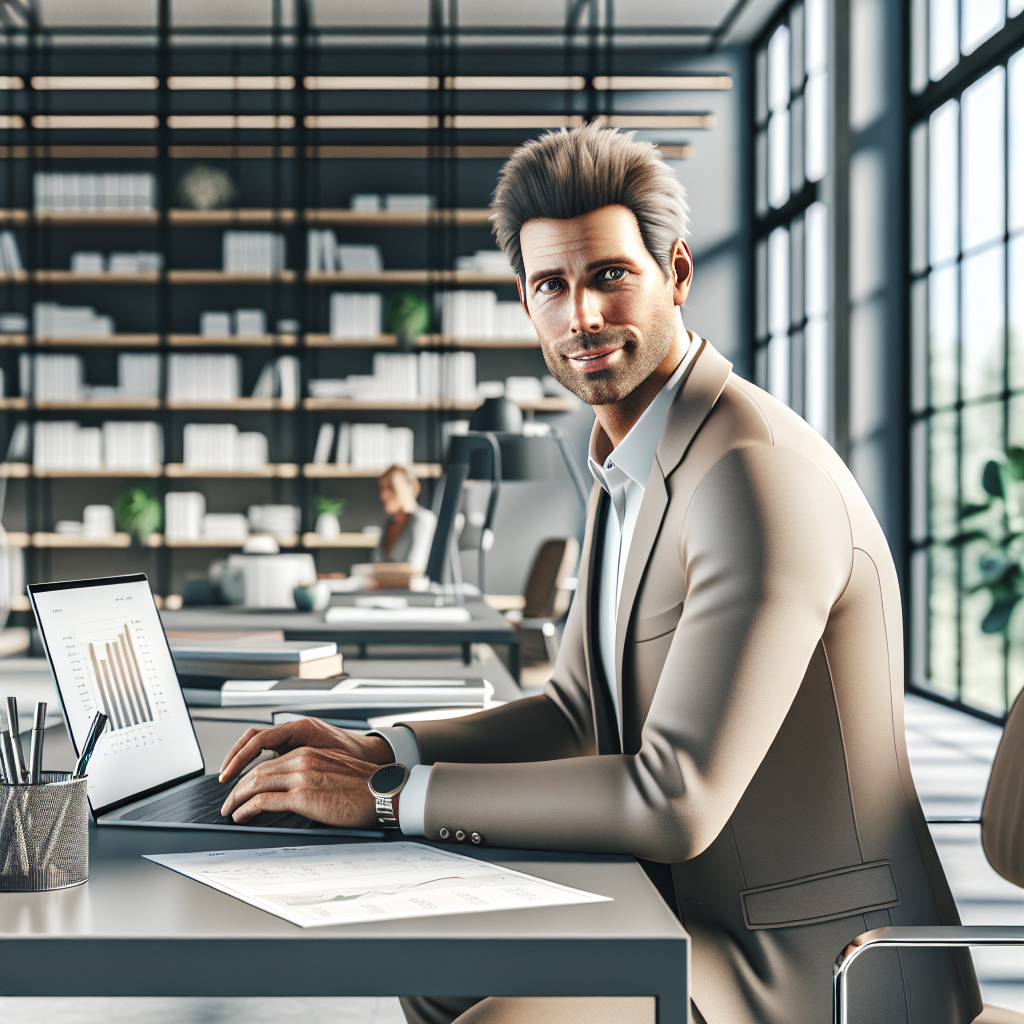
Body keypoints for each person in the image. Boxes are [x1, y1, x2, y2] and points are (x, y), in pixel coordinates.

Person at [217, 125, 982, 1024]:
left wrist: (385, 801)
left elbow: (675, 796)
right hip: (675, 909)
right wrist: (385, 748)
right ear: (526, 299)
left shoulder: (753, 473)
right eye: (553, 286)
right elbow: (578, 715)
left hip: (812, 965)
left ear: (677, 274)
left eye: (611, 275)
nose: (582, 316)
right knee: (430, 968)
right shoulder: (626, 461)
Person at [373, 464, 437, 575]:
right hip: (385, 589)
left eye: (391, 487)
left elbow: (415, 567)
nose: (383, 495)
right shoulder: (387, 524)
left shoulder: (424, 520)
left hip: (410, 590)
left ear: (410, 487)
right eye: (382, 488)